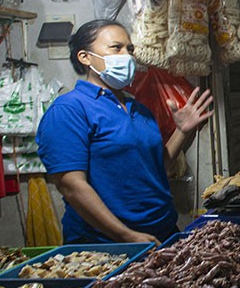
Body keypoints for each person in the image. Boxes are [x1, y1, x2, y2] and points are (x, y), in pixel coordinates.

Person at [36, 19, 213, 245]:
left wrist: (182, 131)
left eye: (130, 49)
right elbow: (71, 185)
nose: (127, 56)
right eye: (116, 48)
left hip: (163, 233)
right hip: (106, 244)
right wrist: (125, 236)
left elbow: (156, 167)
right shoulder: (70, 109)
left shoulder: (139, 109)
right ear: (85, 57)